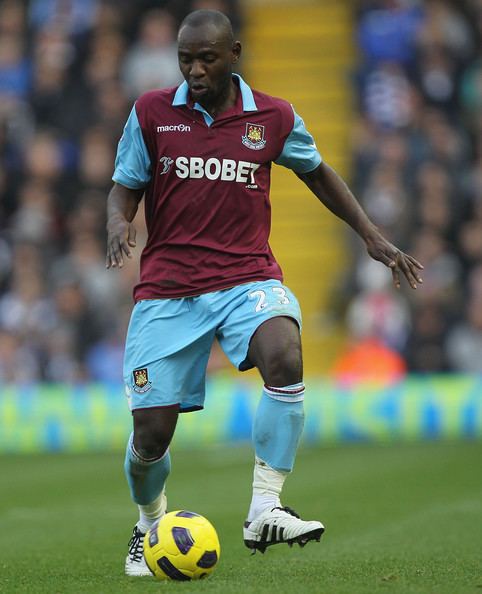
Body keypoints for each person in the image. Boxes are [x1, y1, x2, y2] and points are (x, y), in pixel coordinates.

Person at [105, 9, 424, 577]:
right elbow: (124, 187)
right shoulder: (152, 112)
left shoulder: (272, 117)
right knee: (150, 436)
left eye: (206, 58)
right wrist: (117, 222)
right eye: (185, 59)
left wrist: (373, 237)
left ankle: (264, 508)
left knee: (285, 351)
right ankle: (148, 522)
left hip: (246, 278)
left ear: (235, 54)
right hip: (168, 291)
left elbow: (318, 172)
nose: (195, 70)